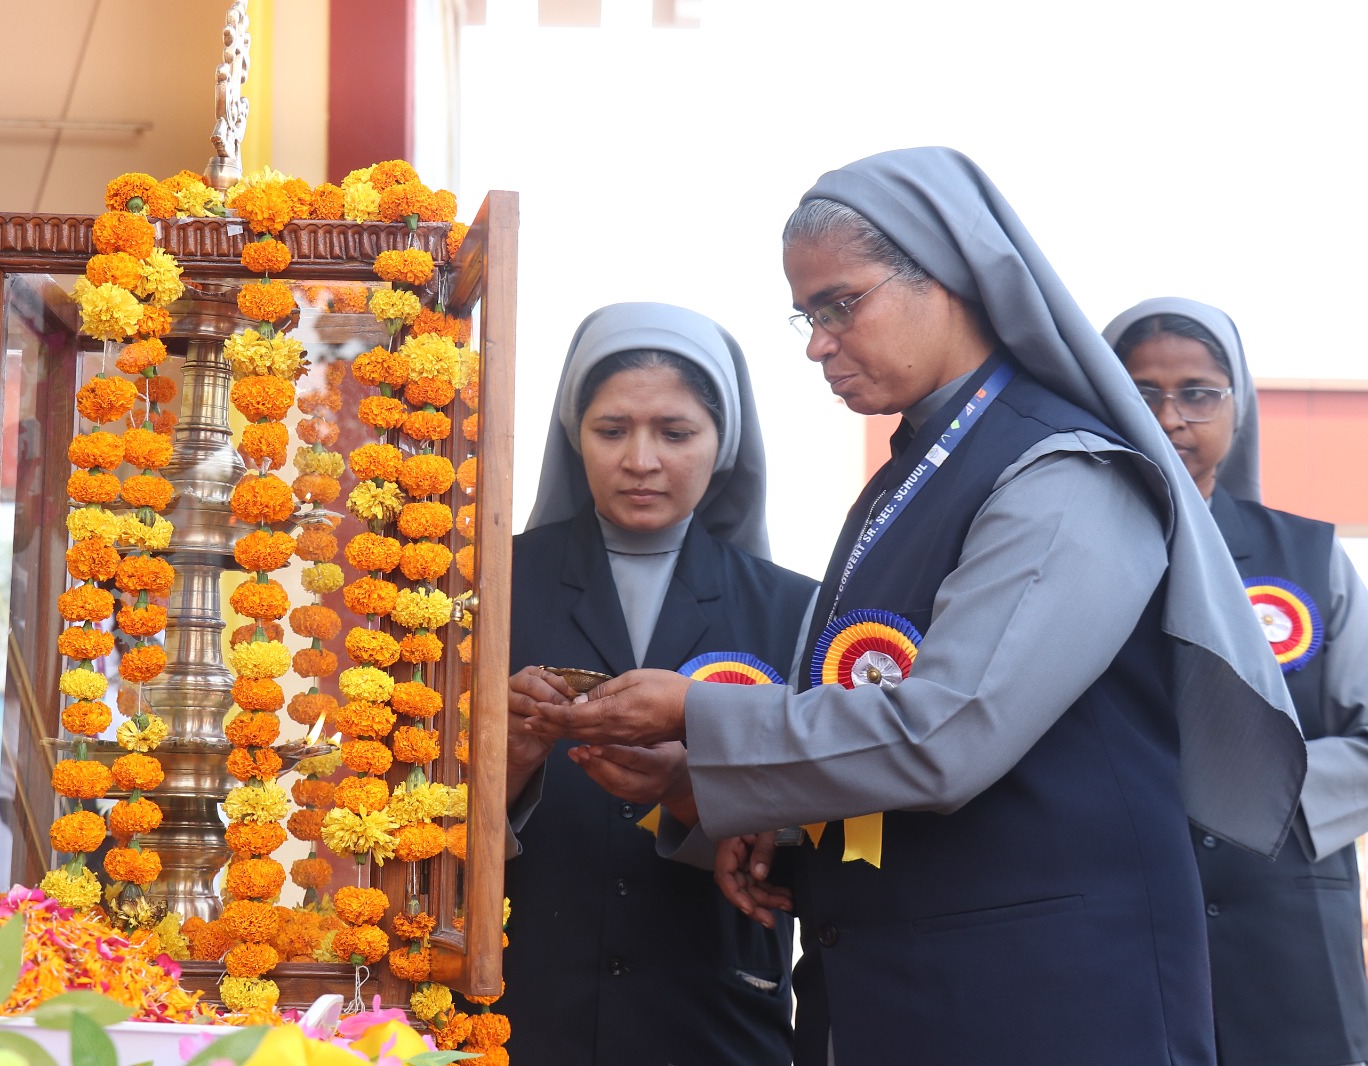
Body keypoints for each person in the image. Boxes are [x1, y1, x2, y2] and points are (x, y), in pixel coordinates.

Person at [524, 149, 1306, 1066]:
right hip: (912, 992)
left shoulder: (1062, 473)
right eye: (806, 314)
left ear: (948, 278)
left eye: (839, 303)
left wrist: (698, 714)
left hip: (1048, 1000)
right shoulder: (916, 472)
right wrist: (752, 815)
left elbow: (948, 732)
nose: (818, 341)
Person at [503, 302, 818, 1066]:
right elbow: (406, 814)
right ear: (574, 435)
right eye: (612, 430)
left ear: (725, 441)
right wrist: (504, 761)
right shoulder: (491, 588)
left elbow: (827, 840)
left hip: (711, 1015)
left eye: (676, 433)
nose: (641, 460)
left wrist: (692, 790)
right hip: (519, 1009)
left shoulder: (798, 609)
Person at [1107, 296, 1368, 1066]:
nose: (1172, 417)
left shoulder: (1311, 559)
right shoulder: (1063, 553)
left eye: (1198, 391)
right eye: (1142, 392)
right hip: (1126, 921)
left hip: (1289, 925)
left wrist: (1255, 783)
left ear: (1238, 402)